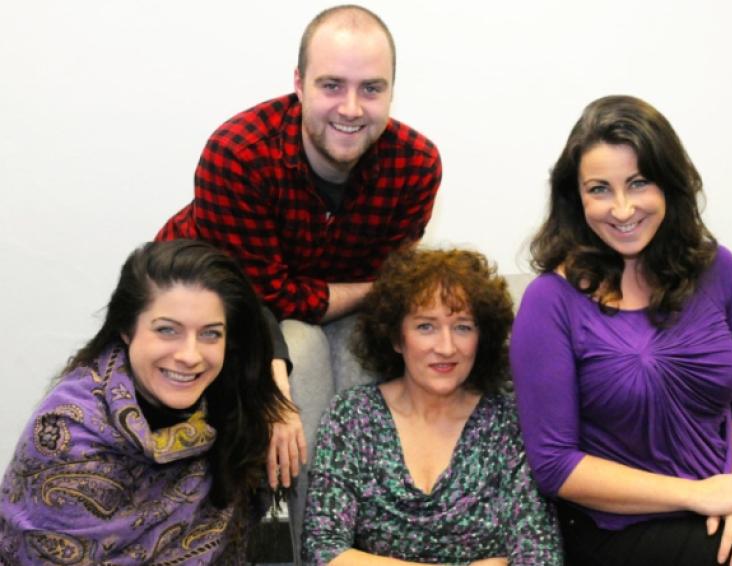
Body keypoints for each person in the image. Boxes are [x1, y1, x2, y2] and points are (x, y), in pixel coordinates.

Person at [154, 5, 442, 556]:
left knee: (364, 364)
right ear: (298, 84)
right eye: (332, 85)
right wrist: (274, 379)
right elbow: (253, 295)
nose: (352, 109)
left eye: (372, 89)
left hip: (318, 304)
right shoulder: (238, 152)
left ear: (392, 92)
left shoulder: (417, 164)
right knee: (301, 355)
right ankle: (307, 549)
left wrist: (362, 296)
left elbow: (390, 284)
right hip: (218, 306)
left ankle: (369, 545)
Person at [510, 95, 732, 566]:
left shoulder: (717, 268)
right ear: (575, 197)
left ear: (668, 183)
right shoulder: (549, 302)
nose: (622, 209)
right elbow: (555, 465)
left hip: (719, 503)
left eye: (638, 183)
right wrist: (696, 495)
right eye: (599, 189)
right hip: (619, 529)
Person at [0, 240, 291, 564]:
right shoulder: (67, 438)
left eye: (210, 333)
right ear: (126, 329)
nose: (190, 356)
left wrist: (278, 395)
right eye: (167, 330)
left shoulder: (226, 399)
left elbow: (260, 315)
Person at [302, 248, 564, 565]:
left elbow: (539, 555)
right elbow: (322, 551)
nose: (446, 347)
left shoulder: (508, 421)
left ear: (483, 338)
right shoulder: (352, 415)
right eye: (426, 326)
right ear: (396, 338)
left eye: (463, 327)